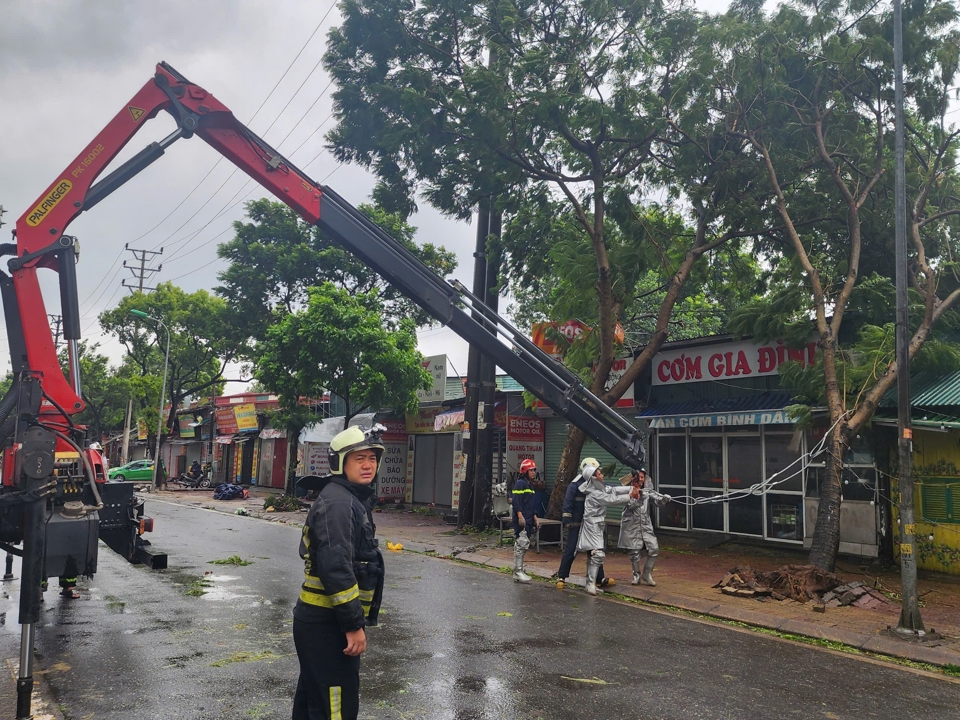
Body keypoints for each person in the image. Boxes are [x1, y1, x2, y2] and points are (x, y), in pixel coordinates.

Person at [292, 424, 386, 720]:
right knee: (335, 709)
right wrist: (352, 625)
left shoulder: (348, 499)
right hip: (328, 625)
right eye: (359, 459)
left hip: (320, 623)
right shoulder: (339, 504)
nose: (368, 465)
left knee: (314, 704)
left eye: (372, 457)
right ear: (340, 463)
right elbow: (336, 567)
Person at [576, 463, 638, 595]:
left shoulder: (600, 489)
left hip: (597, 525)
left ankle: (590, 583)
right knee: (598, 554)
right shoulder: (594, 494)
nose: (602, 476)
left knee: (593, 554)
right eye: (599, 474)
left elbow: (613, 490)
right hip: (592, 525)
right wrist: (630, 496)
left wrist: (632, 488)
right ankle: (590, 584)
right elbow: (610, 499)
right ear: (593, 478)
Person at [555, 457, 613, 591]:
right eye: (595, 471)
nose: (598, 473)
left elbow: (610, 490)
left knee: (595, 551)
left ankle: (599, 578)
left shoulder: (596, 484)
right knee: (571, 550)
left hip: (590, 525)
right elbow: (567, 505)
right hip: (576, 524)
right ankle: (561, 577)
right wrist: (568, 521)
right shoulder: (575, 485)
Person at [618, 468, 671, 586]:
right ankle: (636, 575)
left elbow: (656, 500)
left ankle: (647, 574)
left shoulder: (647, 490)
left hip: (645, 523)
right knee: (634, 551)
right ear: (633, 477)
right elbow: (630, 506)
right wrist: (640, 498)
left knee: (654, 549)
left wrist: (664, 499)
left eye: (643, 477)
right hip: (631, 524)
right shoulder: (626, 490)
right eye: (639, 477)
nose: (641, 480)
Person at [511, 458, 540, 583]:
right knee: (520, 545)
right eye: (531, 470)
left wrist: (535, 518)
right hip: (522, 519)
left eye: (534, 470)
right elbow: (516, 502)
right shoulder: (520, 484)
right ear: (525, 471)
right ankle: (517, 571)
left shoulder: (529, 485)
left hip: (528, 518)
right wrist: (520, 516)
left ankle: (520, 570)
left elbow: (531, 504)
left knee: (524, 545)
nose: (533, 472)